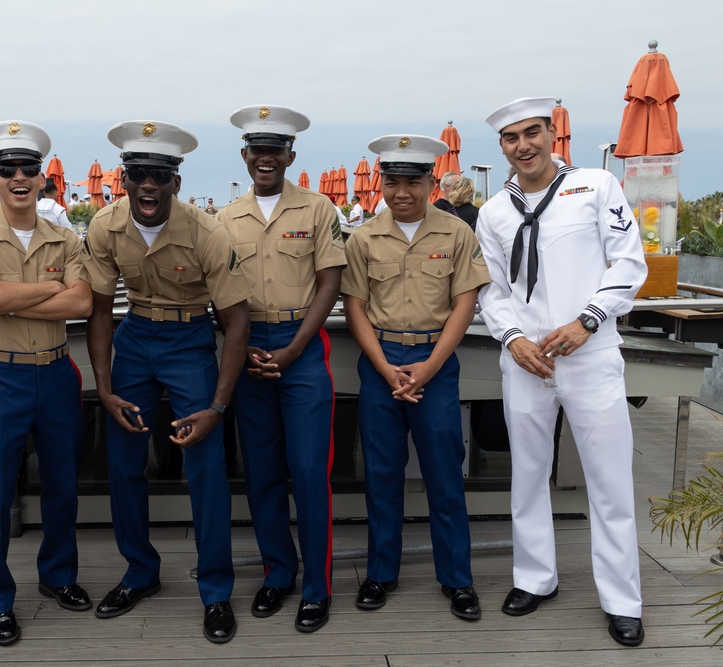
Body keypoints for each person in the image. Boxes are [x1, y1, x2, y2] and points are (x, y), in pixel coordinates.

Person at [477, 97, 648, 647]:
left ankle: (622, 600)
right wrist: (511, 337)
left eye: (532, 132)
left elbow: (628, 263)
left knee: (609, 480)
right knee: (527, 475)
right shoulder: (492, 213)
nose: (523, 145)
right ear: (500, 146)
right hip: (526, 360)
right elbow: (492, 289)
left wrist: (588, 320)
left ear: (553, 134)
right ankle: (534, 578)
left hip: (590, 352)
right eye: (511, 138)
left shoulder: (596, 186)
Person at [82, 119, 251, 644]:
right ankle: (139, 572)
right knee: (125, 461)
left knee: (205, 465)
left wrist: (219, 407)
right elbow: (102, 312)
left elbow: (237, 321)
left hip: (189, 342)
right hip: (134, 341)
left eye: (159, 174)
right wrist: (105, 388)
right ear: (123, 179)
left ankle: (216, 591)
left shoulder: (207, 231)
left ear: (176, 182)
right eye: (138, 175)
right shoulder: (104, 226)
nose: (148, 185)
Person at [0, 120, 93, 646]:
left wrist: (19, 293)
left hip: (57, 372)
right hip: (2, 374)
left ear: (41, 178)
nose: (18, 177)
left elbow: (82, 303)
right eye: (6, 169)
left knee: (62, 485)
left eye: (27, 169)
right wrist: (49, 285)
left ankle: (59, 576)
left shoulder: (66, 235)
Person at [341, 134, 489, 622]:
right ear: (381, 182)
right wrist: (385, 369)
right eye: (393, 182)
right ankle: (381, 572)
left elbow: (465, 303)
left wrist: (429, 366)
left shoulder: (455, 233)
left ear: (431, 182)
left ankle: (457, 579)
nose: (402, 192)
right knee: (381, 475)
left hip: (436, 363)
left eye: (413, 182)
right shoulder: (362, 237)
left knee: (445, 475)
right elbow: (355, 307)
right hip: (381, 360)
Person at [218, 105, 346, 633]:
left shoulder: (318, 210)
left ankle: (316, 587)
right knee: (263, 472)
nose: (265, 158)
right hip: (247, 348)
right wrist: (239, 345)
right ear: (245, 155)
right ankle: (278, 573)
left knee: (311, 472)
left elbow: (330, 283)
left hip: (302, 348)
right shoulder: (225, 218)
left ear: (290, 156)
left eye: (276, 151)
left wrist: (294, 349)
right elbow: (220, 295)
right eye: (257, 150)